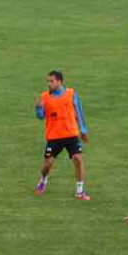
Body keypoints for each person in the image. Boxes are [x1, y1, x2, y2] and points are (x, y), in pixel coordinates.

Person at [34, 70, 90, 200]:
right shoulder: (44, 97)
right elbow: (41, 117)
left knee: (78, 159)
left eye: (51, 81)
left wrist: (83, 130)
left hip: (71, 134)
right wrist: (38, 108)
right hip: (54, 136)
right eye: (48, 81)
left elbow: (79, 111)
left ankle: (80, 191)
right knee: (48, 163)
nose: (49, 83)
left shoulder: (71, 94)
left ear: (60, 81)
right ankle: (43, 180)